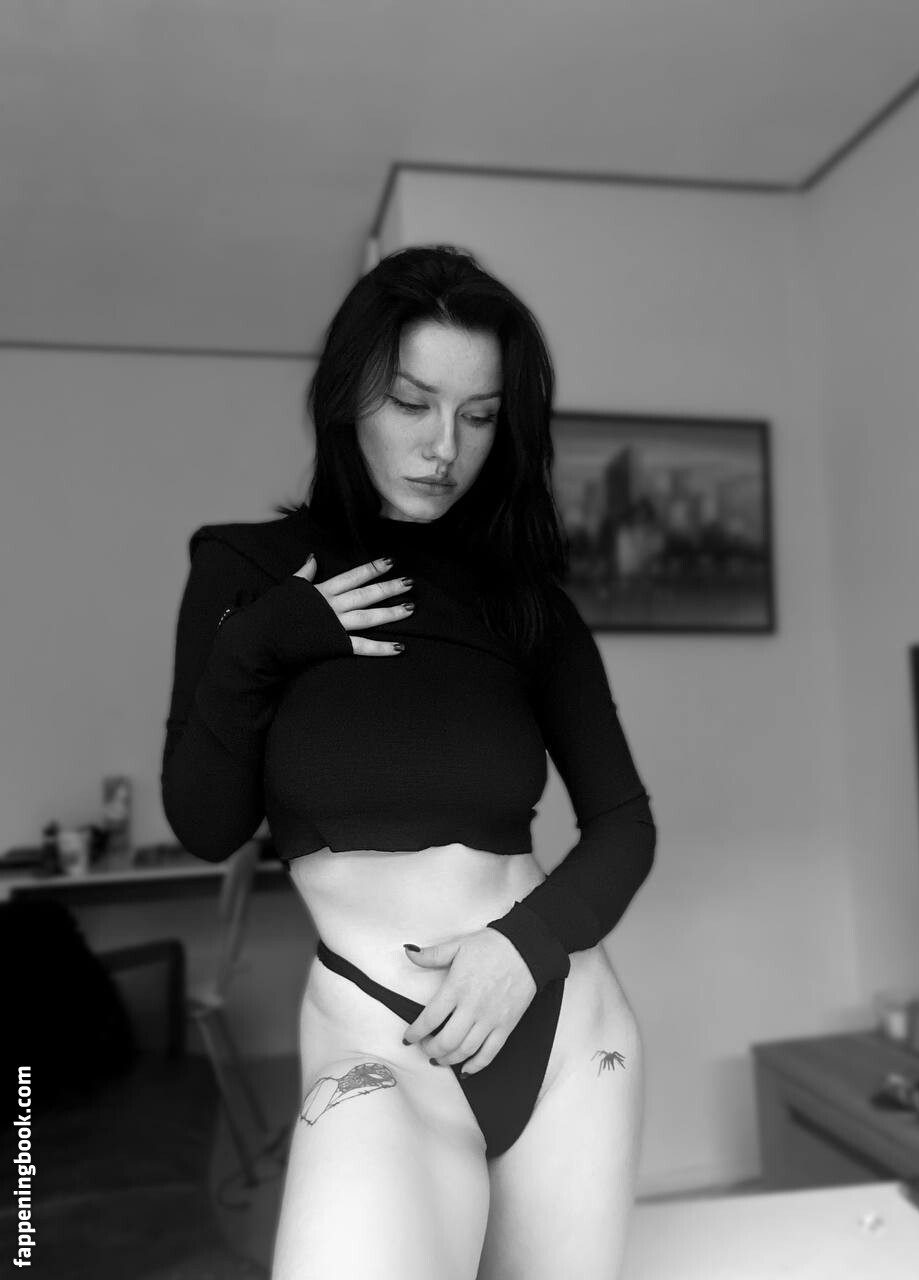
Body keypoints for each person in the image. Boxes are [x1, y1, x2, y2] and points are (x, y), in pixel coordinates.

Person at [161, 244, 657, 1280]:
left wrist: (523, 947)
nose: (443, 446)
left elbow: (623, 825)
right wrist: (270, 637)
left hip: (560, 1023)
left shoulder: (526, 605)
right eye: (411, 402)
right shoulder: (246, 571)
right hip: (374, 1039)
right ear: (349, 393)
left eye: (479, 415)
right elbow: (205, 824)